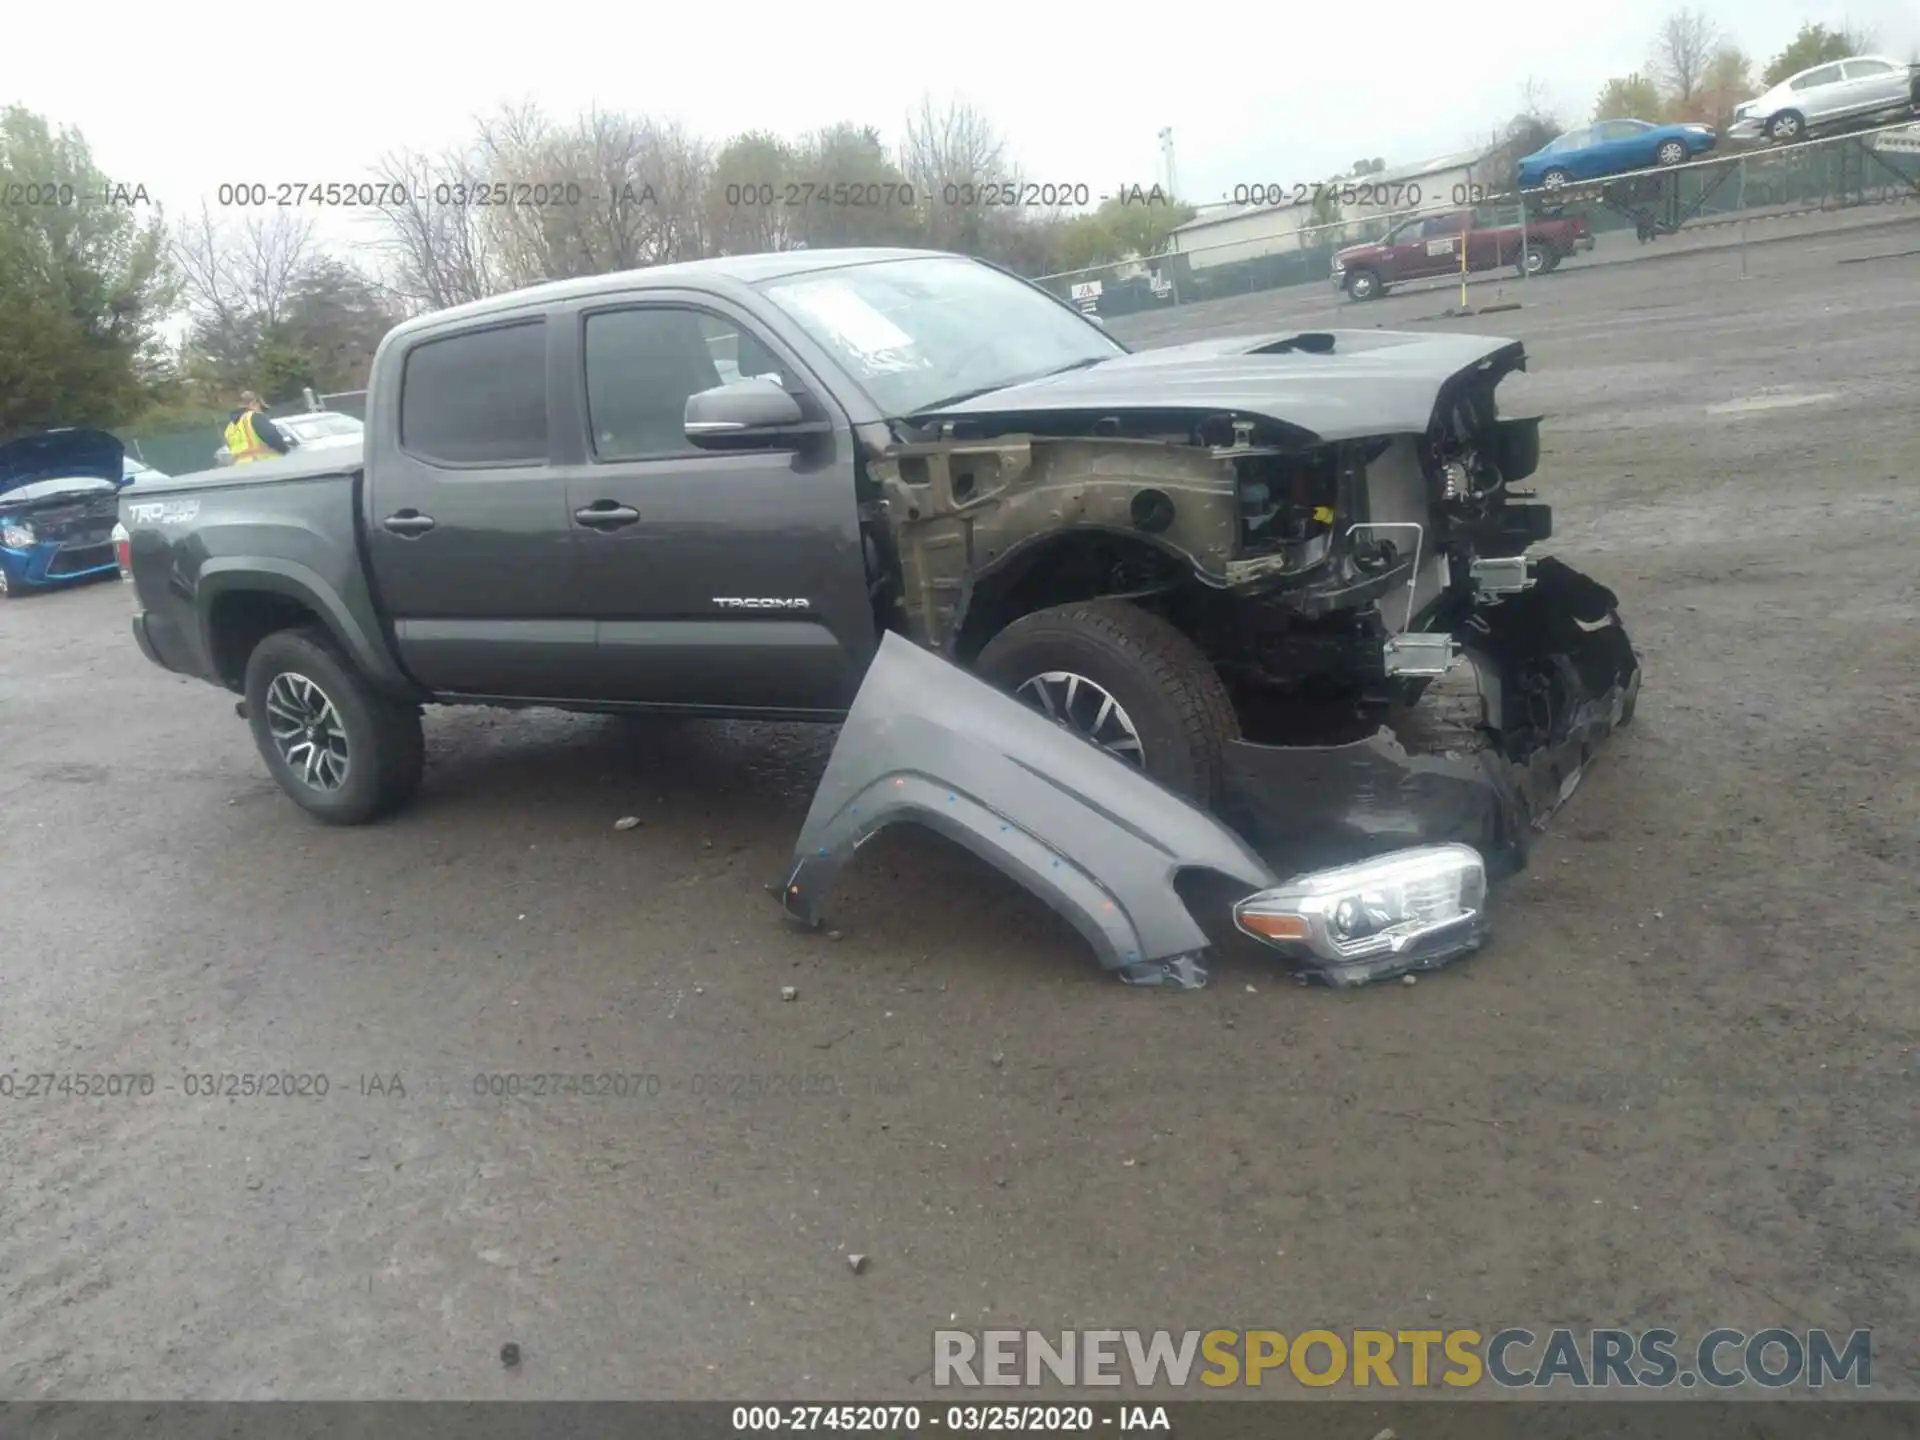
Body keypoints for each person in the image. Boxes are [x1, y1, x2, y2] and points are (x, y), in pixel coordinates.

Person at [224, 391, 295, 464]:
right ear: (253, 404)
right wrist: (285, 449)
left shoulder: (230, 428)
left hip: (241, 468)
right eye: (261, 407)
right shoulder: (254, 417)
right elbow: (272, 435)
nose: (261, 411)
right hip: (263, 464)